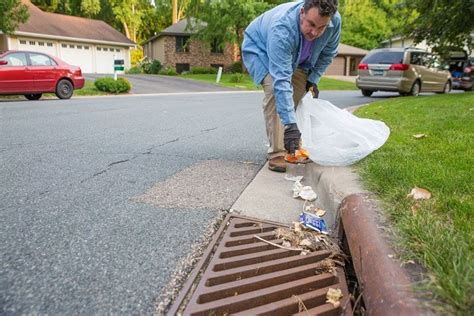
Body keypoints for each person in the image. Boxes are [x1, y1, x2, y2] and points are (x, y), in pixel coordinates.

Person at [242, 0, 341, 172]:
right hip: (260, 49)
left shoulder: (334, 21)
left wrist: (313, 79)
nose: (315, 32)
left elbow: (328, 53)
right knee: (275, 89)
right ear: (302, 12)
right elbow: (281, 81)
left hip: (300, 60)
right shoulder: (282, 28)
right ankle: (277, 152)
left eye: (321, 27)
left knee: (296, 95)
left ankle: (292, 144)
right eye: (311, 24)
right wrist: (290, 124)